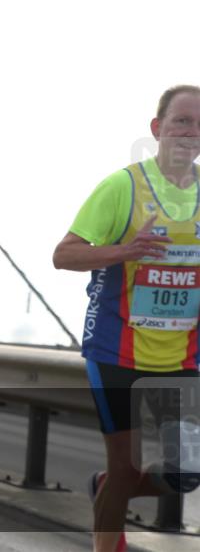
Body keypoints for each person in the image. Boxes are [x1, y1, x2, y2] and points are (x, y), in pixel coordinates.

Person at [53, 85, 200, 552]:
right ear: (158, 129)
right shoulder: (123, 187)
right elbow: (65, 255)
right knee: (124, 467)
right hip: (117, 348)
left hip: (180, 356)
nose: (191, 132)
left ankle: (107, 490)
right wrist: (126, 250)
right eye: (182, 121)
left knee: (187, 471)